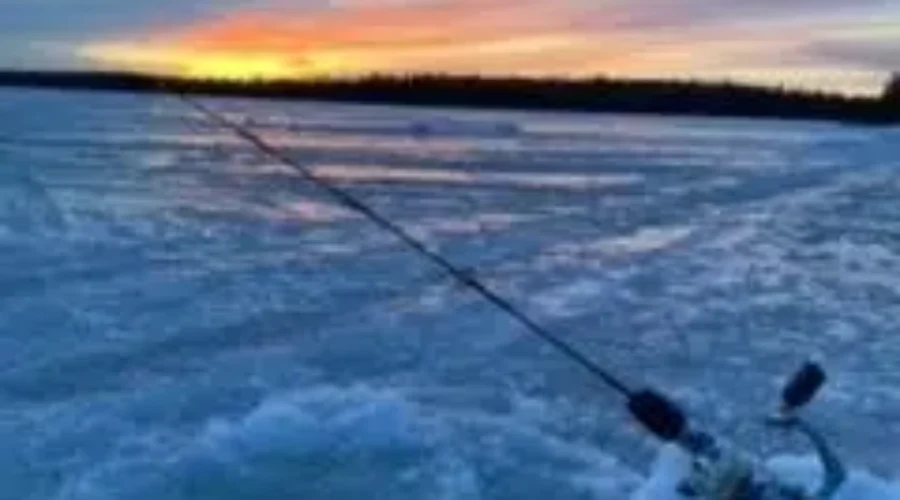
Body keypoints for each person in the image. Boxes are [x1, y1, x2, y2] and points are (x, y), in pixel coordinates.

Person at [675, 413, 847, 500]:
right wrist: (802, 425)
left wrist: (802, 426)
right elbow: (837, 475)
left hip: (732, 483)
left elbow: (837, 475)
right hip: (737, 479)